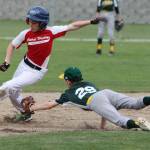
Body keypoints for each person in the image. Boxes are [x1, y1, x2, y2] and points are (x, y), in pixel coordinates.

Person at [0, 6, 102, 122]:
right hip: (23, 65)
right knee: (13, 91)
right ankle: (25, 113)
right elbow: (12, 45)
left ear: (42, 23)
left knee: (8, 86)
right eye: (29, 21)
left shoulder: (51, 31)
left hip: (35, 72)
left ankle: (24, 111)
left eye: (34, 22)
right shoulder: (26, 33)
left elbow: (72, 26)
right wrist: (6, 61)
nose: (30, 24)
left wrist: (90, 21)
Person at [27, 67, 150, 131]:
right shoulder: (89, 83)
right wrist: (102, 127)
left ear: (68, 81)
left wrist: (31, 108)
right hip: (105, 93)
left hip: (95, 101)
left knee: (121, 121)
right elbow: (105, 105)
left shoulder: (68, 93)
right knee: (136, 103)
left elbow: (49, 104)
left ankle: (140, 124)